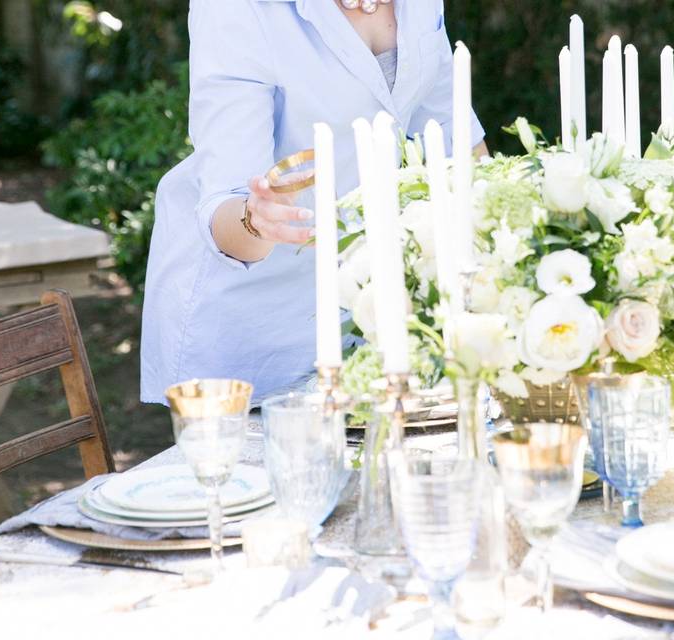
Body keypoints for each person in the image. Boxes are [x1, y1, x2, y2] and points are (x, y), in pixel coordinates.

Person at [140, 0, 486, 404]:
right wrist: (258, 218)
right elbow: (226, 207)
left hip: (373, 314)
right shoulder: (236, 9)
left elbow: (452, 135)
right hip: (256, 329)